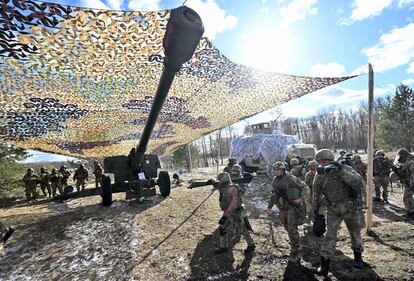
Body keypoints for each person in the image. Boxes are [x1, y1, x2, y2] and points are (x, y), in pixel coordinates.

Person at [312, 149, 364, 277]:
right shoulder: (319, 175)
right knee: (329, 235)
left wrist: (340, 170)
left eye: (324, 162)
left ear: (331, 161)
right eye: (319, 162)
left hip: (350, 207)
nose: (322, 164)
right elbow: (315, 194)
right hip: (333, 208)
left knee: (355, 233)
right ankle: (324, 265)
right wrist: (316, 213)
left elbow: (359, 184)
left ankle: (358, 257)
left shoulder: (344, 169)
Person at [267, 161, 310, 264]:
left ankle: (296, 251)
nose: (276, 172)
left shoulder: (290, 178)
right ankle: (295, 245)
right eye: (275, 170)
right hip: (282, 209)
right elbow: (274, 195)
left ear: (283, 170)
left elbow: (305, 187)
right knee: (287, 228)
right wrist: (270, 207)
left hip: (292, 208)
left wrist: (301, 199)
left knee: (292, 229)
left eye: (278, 170)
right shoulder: (275, 181)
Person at [214, 172, 255, 255]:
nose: (219, 182)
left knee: (242, 230)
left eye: (220, 180)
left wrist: (225, 217)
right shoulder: (224, 186)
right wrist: (211, 182)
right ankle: (223, 247)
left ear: (224, 180)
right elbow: (217, 186)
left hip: (236, 212)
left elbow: (233, 204)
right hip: (228, 212)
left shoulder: (232, 189)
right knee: (222, 228)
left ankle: (251, 245)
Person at [395, 148, 414, 220]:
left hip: (411, 183)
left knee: (407, 197)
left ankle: (411, 213)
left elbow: (413, 175)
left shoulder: (411, 162)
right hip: (409, 183)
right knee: (407, 197)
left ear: (403, 156)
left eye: (401, 157)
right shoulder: (408, 161)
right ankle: (410, 212)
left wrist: (411, 185)